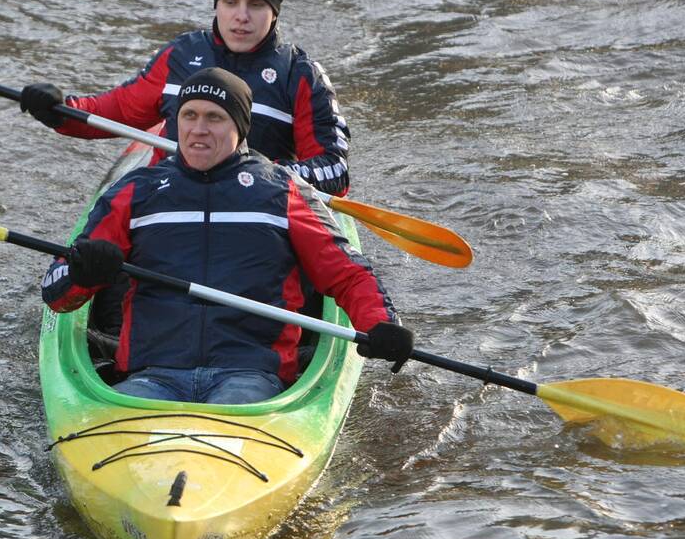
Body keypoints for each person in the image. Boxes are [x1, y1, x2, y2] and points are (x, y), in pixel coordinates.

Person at [41, 68, 411, 404]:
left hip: (248, 378)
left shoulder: (282, 192)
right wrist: (82, 275)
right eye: (189, 116)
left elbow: (346, 274)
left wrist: (381, 324)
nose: (198, 128)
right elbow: (57, 295)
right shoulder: (137, 191)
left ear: (240, 128)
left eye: (214, 118)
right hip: (151, 378)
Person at [19, 0, 351, 197]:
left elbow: (333, 171)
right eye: (230, 1)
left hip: (257, 201)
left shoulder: (300, 73)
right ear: (216, 5)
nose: (241, 16)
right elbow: (116, 111)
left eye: (256, 4)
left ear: (274, 12)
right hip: (171, 190)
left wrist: (265, 173)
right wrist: (57, 110)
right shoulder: (181, 55)